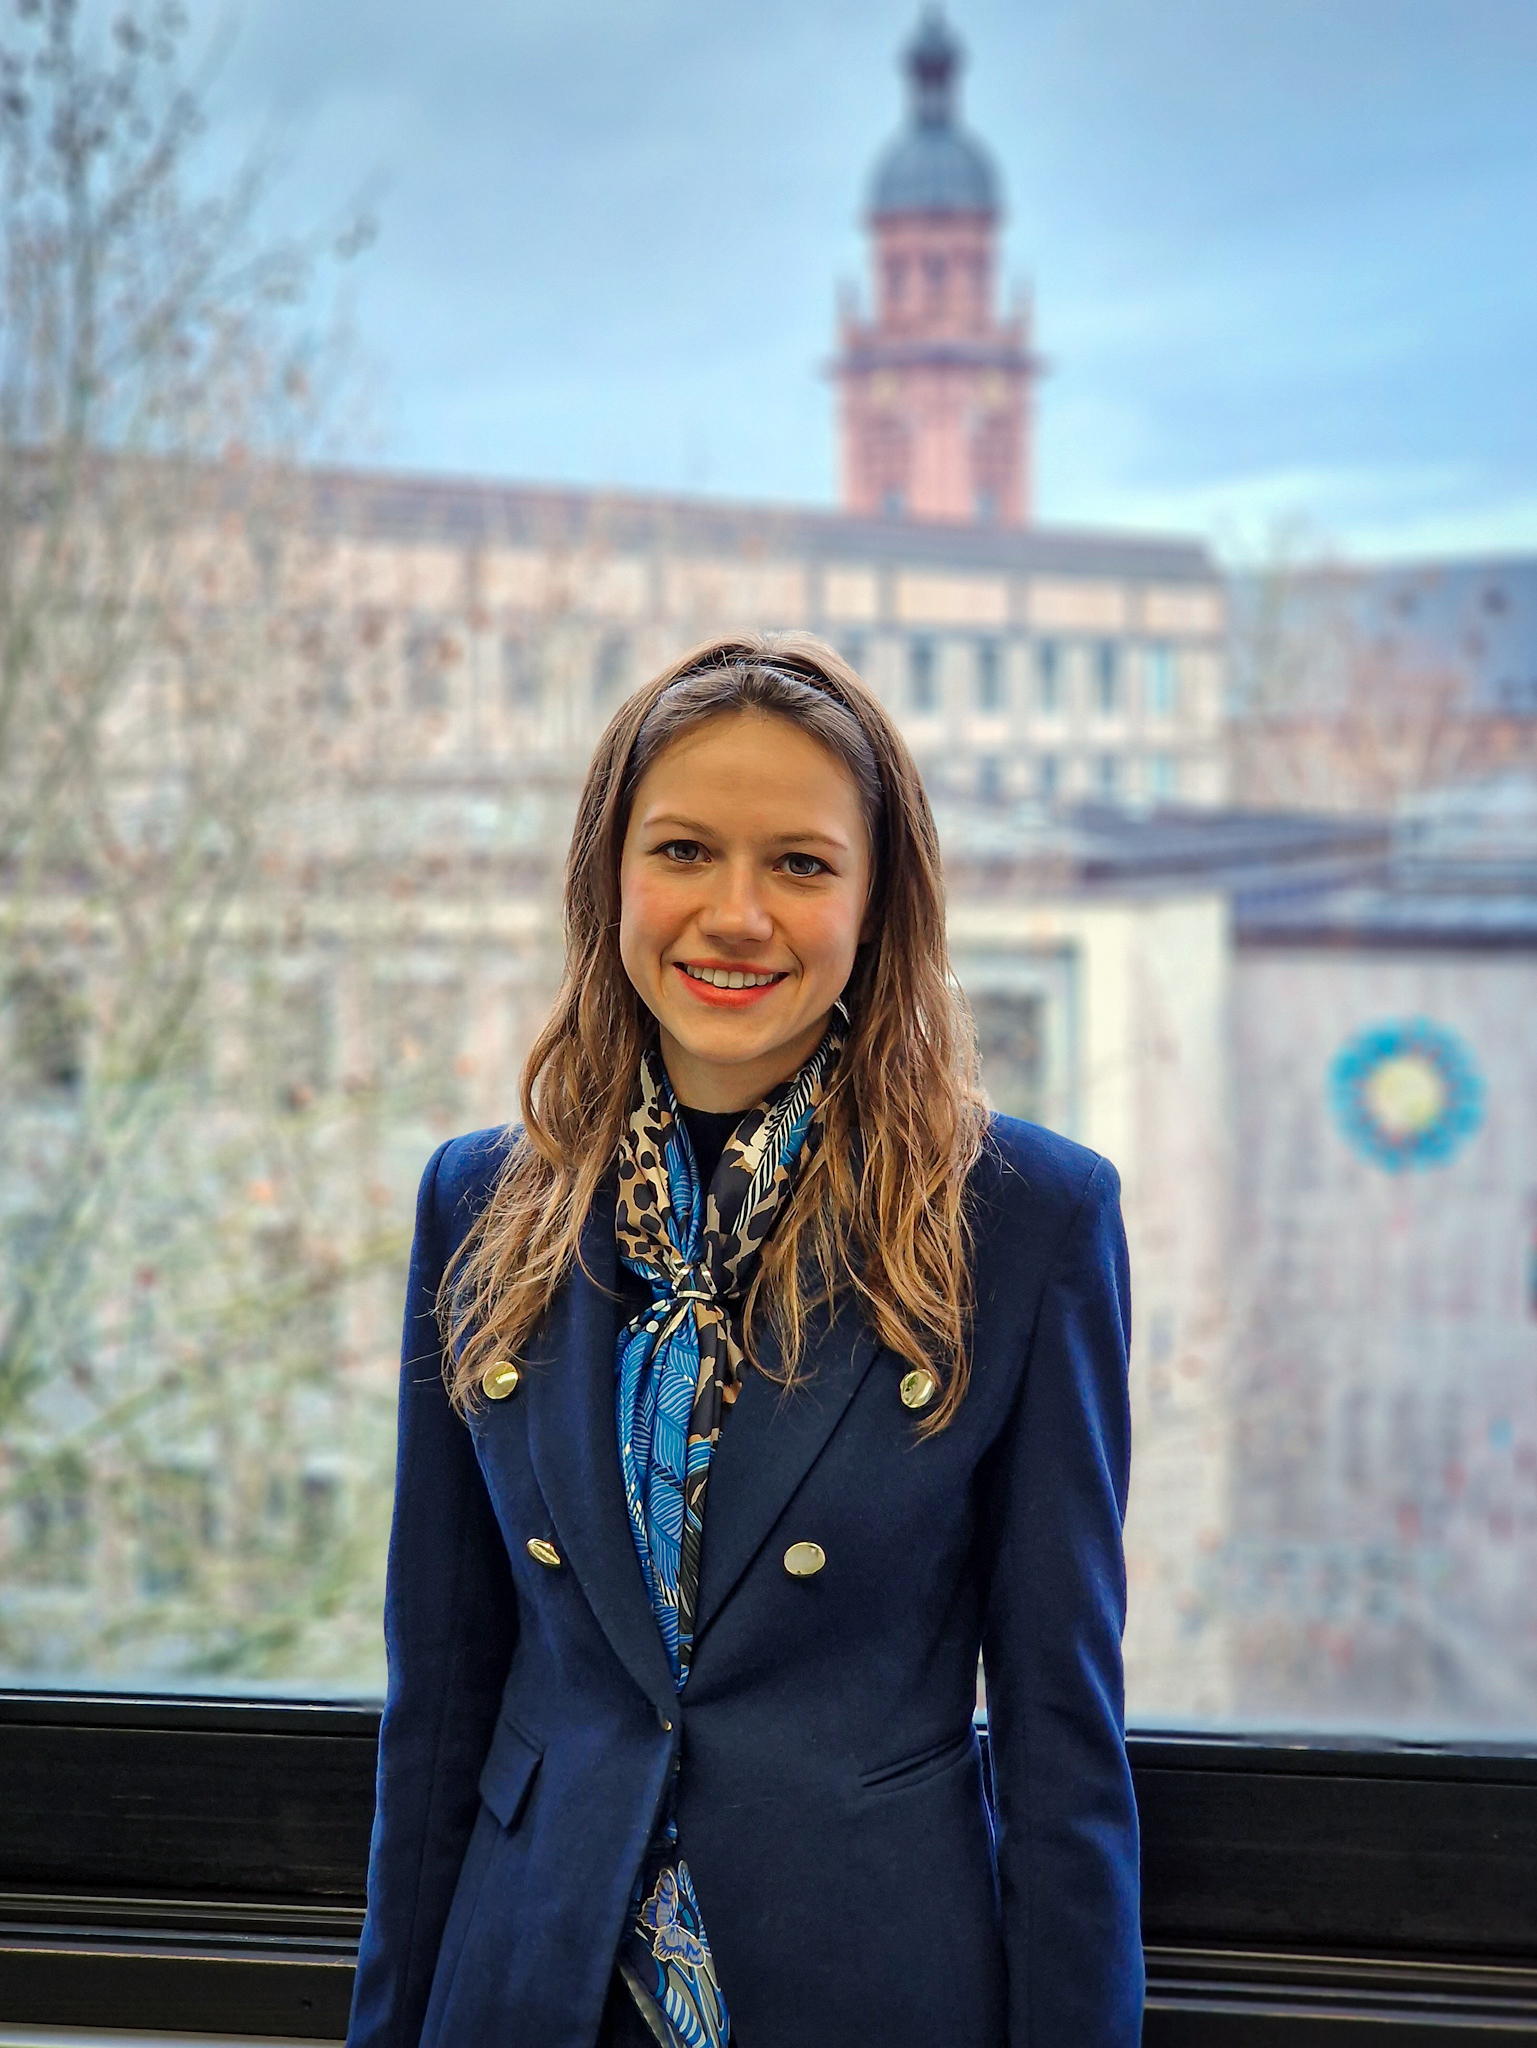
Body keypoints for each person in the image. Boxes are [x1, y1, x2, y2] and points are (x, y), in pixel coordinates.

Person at [346, 634, 1141, 2048]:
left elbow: (1058, 1737)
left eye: (800, 864)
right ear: (608, 879)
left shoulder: (1025, 1222)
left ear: (877, 903)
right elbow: (442, 1696)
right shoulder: (479, 1202)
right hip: (527, 1980)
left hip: (864, 1984)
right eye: (683, 852)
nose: (735, 915)